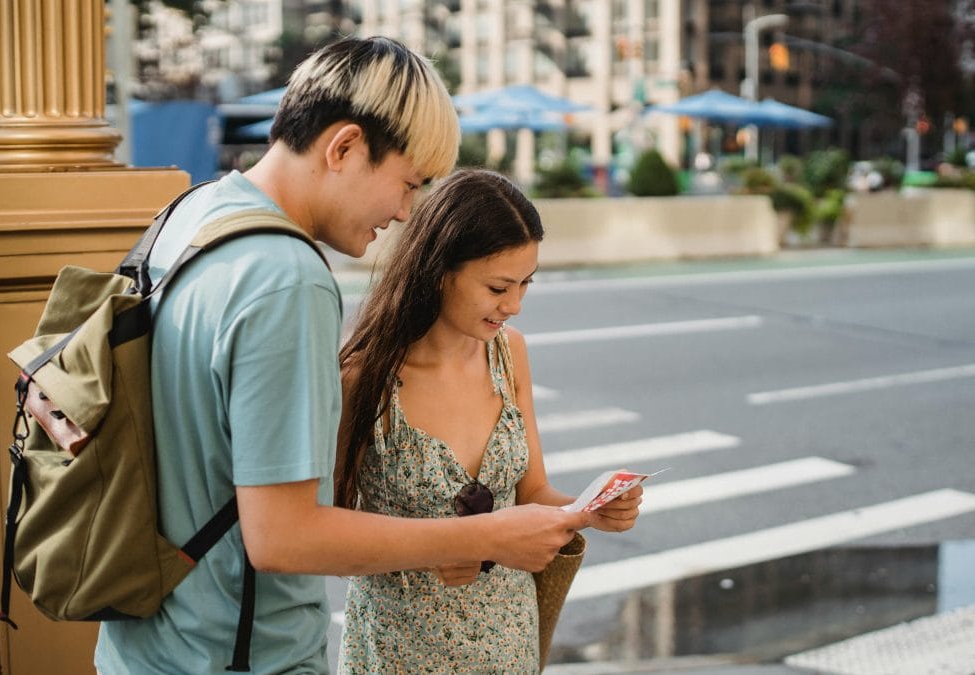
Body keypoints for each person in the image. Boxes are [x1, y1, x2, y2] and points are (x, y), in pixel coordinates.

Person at [94, 37, 587, 674]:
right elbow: (284, 535)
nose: (407, 211)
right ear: (345, 146)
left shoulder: (191, 215)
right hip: (236, 652)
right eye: (406, 183)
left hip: (143, 643)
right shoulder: (286, 275)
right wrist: (484, 535)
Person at [335, 169, 644, 673]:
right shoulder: (363, 377)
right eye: (499, 286)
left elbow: (531, 494)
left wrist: (589, 507)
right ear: (439, 271)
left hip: (510, 640)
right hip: (401, 650)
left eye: (526, 284)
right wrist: (429, 550)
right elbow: (325, 531)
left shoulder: (509, 355)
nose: (515, 305)